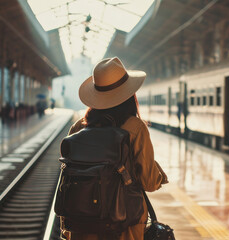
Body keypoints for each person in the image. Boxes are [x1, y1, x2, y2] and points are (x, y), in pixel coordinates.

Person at [61, 57, 168, 240]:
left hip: (81, 224)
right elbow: (149, 182)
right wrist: (159, 175)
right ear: (129, 95)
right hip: (124, 225)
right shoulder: (135, 128)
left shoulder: (78, 128)